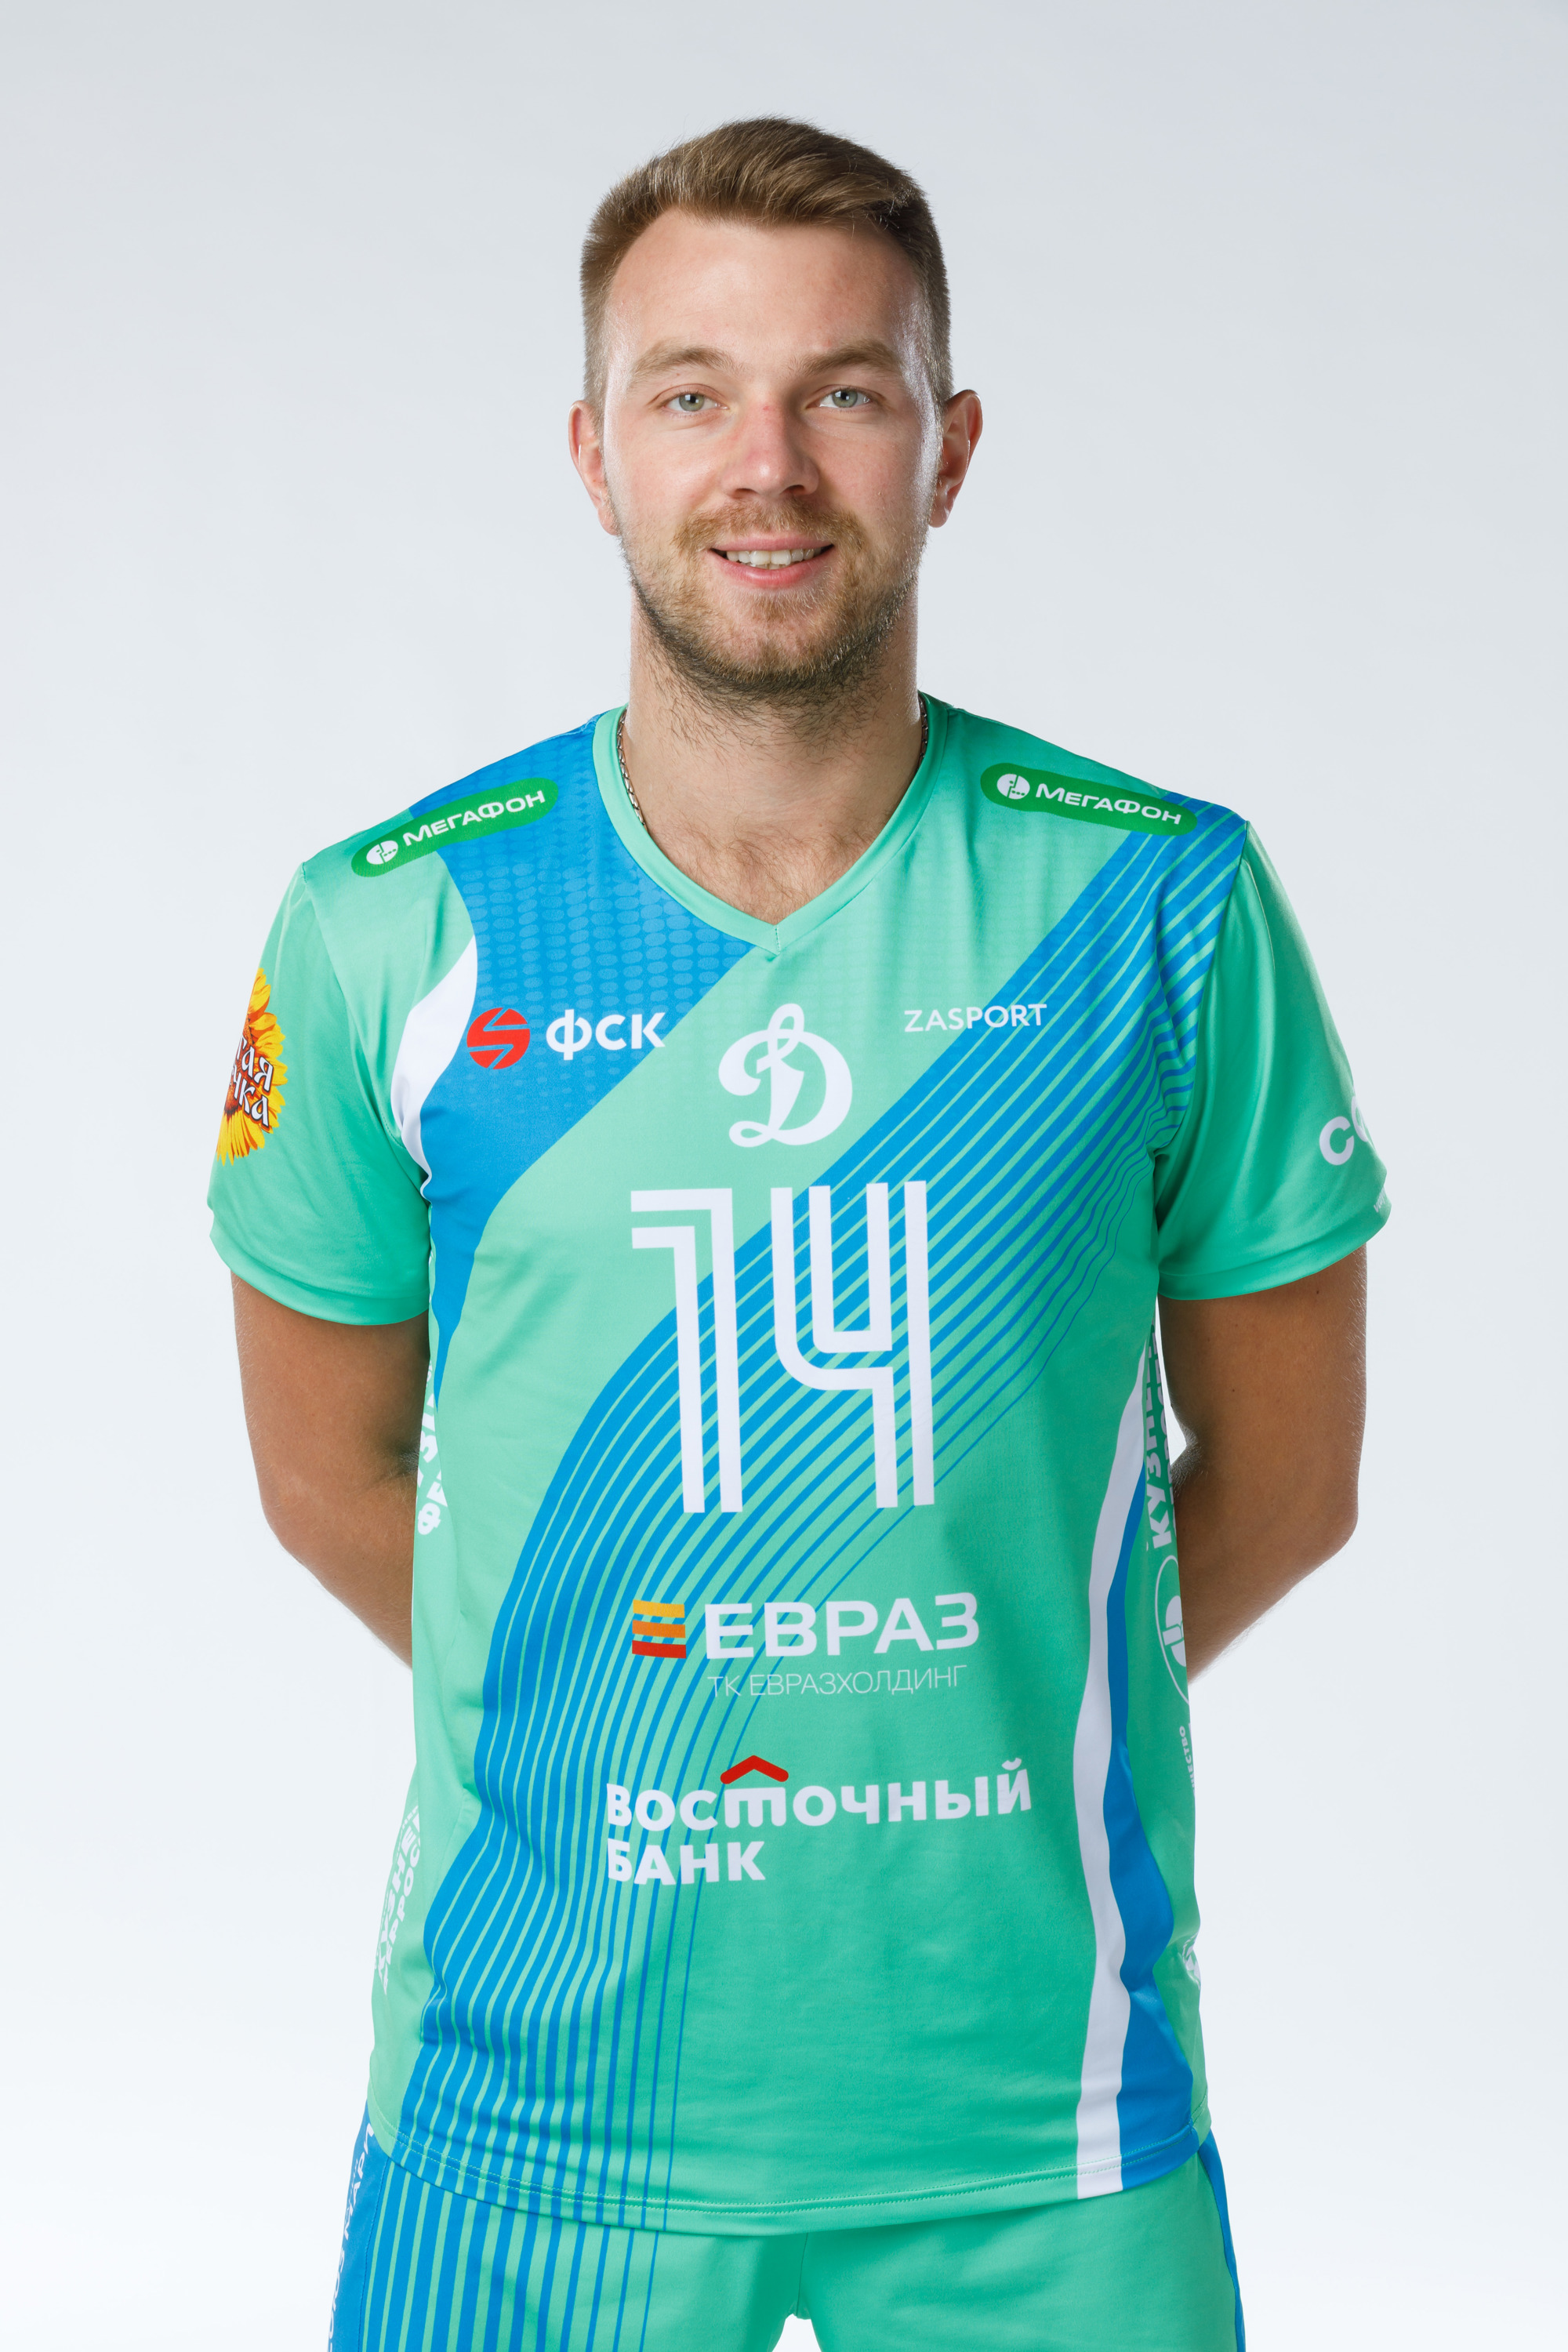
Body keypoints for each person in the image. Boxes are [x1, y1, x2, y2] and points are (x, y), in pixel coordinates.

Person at [211, 117, 1387, 2352]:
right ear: (595, 455)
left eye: (846, 391)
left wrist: (982, 1698)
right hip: (532, 2124)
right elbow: (321, 1471)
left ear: (950, 448)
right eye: (692, 395)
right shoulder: (389, 925)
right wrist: (623, 1709)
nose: (769, 465)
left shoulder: (1158, 904)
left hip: (1042, 2122)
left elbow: (1294, 1480)